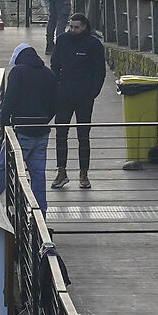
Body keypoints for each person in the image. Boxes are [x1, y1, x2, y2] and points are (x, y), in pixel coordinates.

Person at [0, 43, 55, 210]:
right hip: (41, 132)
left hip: (21, 131)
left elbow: (10, 99)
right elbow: (55, 103)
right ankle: (40, 214)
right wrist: (44, 119)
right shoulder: (48, 73)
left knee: (3, 170)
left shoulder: (17, 73)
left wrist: (4, 122)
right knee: (38, 176)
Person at [48, 12, 107, 191]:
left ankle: (84, 173)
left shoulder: (93, 44)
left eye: (76, 27)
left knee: (83, 136)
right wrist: (56, 87)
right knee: (61, 134)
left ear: (84, 27)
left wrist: (92, 93)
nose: (72, 30)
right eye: (71, 26)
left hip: (84, 97)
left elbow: (100, 71)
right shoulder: (62, 40)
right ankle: (61, 171)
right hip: (63, 95)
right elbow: (54, 64)